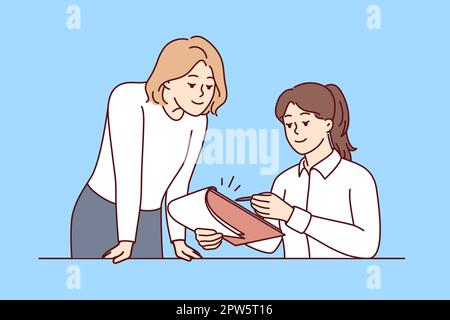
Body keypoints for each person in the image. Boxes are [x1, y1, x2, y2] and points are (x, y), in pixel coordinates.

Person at [70, 36, 227, 263]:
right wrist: (126, 240)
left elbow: (179, 184)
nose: (202, 94)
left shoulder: (198, 120)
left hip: (150, 219)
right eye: (192, 84)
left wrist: (178, 240)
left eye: (209, 86)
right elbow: (128, 173)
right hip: (102, 211)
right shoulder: (128, 99)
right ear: (168, 81)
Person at [195, 82, 381, 258]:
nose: (296, 131)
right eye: (289, 124)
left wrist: (291, 215)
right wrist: (222, 231)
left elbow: (367, 245)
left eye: (305, 123)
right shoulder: (285, 181)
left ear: (328, 124)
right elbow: (270, 243)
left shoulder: (357, 178)